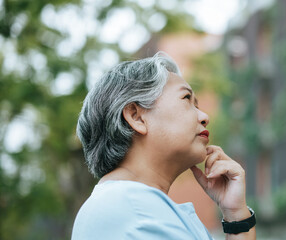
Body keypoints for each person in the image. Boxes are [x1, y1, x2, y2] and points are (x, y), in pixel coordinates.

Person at [71, 52, 256, 240]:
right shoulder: (135, 210)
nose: (204, 117)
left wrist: (236, 215)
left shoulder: (130, 206)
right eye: (186, 99)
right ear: (136, 116)